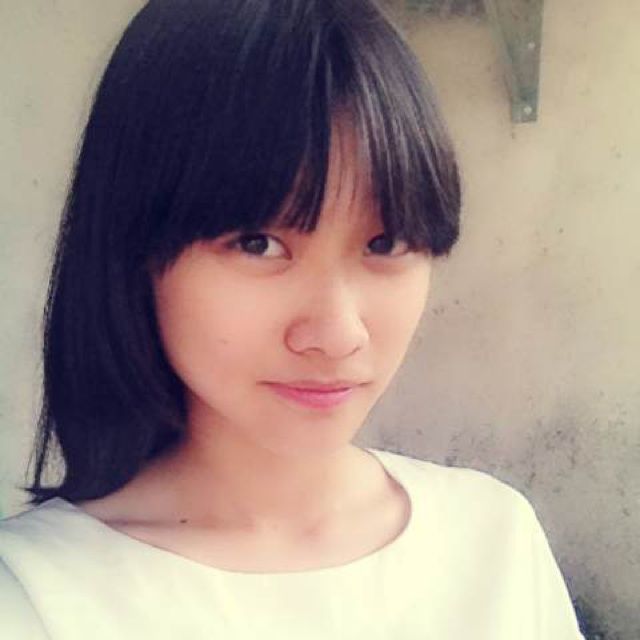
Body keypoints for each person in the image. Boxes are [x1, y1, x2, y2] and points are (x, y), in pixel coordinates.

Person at [0, 0, 584, 638]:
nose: (339, 335)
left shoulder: (494, 541)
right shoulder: (36, 598)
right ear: (133, 249)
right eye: (258, 244)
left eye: (385, 243)